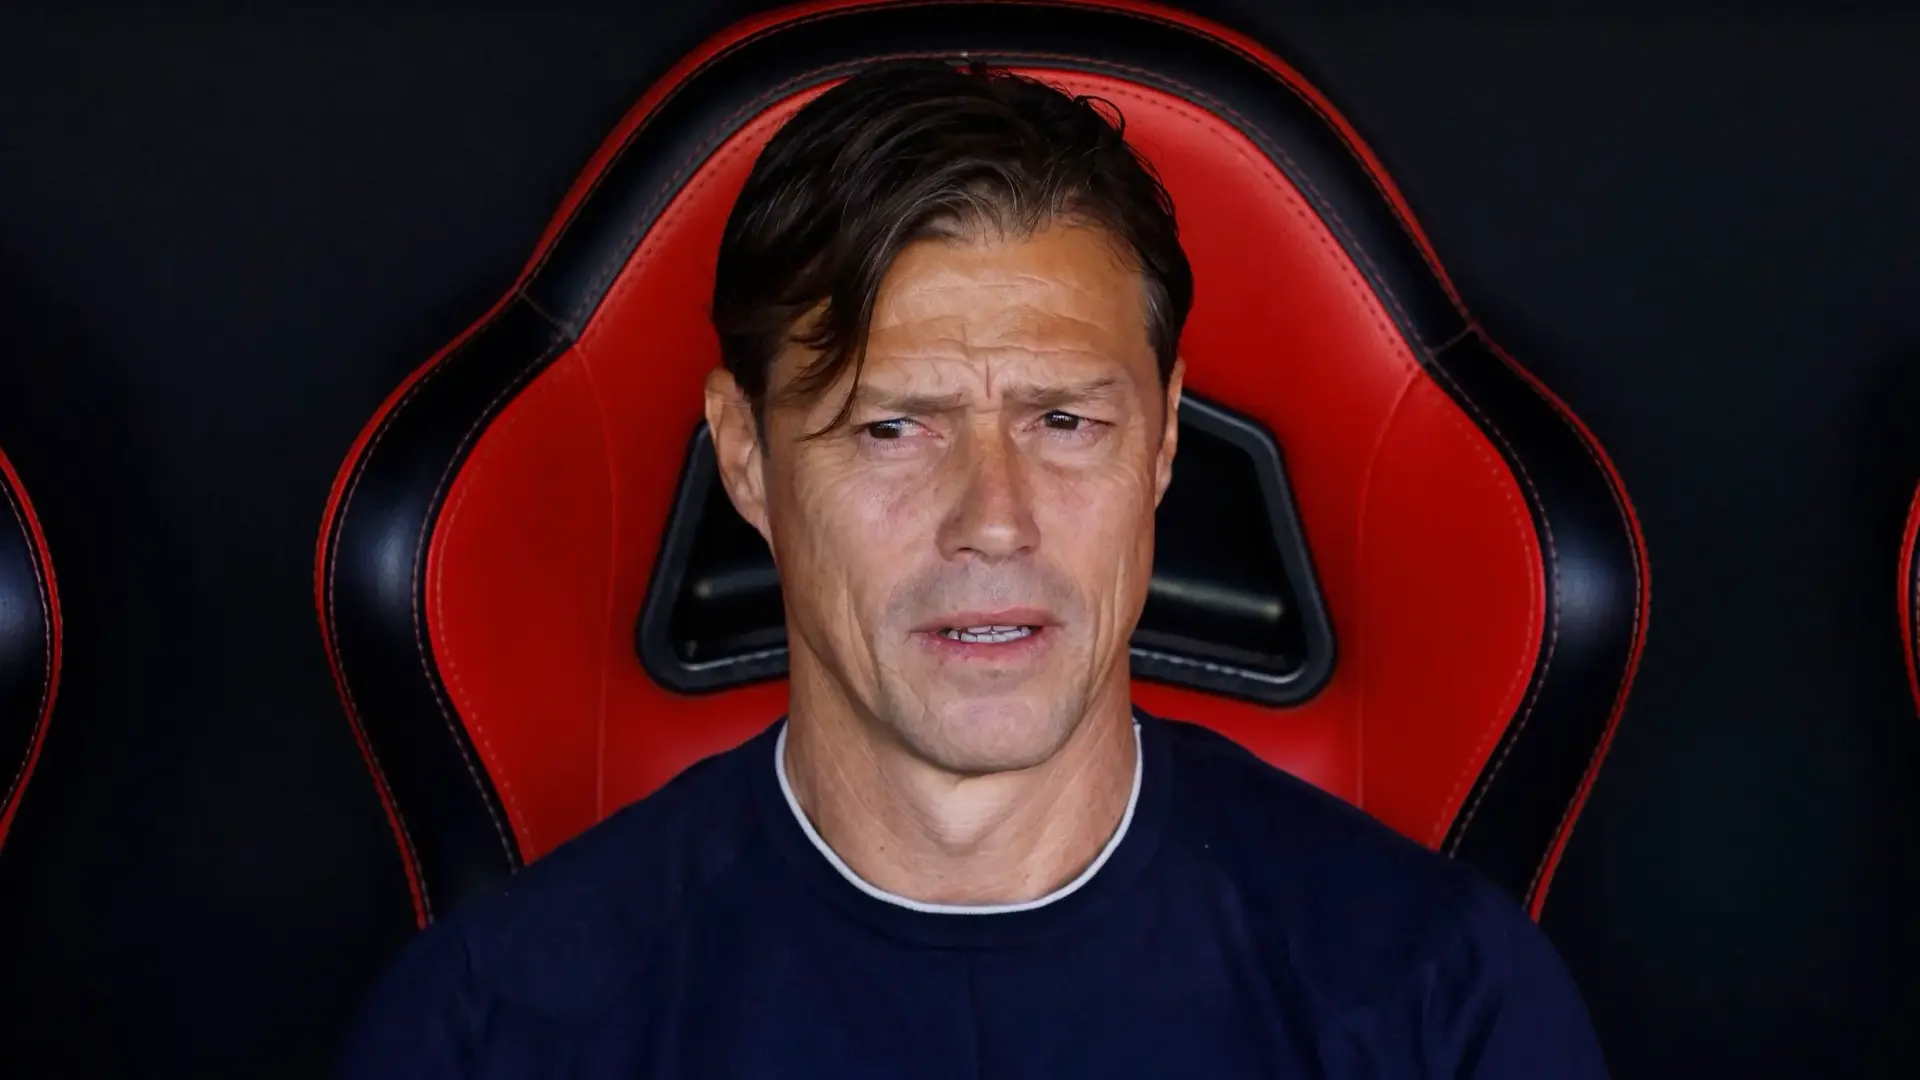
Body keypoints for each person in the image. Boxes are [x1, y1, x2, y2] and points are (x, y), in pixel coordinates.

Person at [335, 59, 1608, 1079]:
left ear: (1164, 441)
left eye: (1065, 421)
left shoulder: (1444, 1004)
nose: (993, 522)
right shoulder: (492, 1029)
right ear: (746, 459)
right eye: (893, 427)